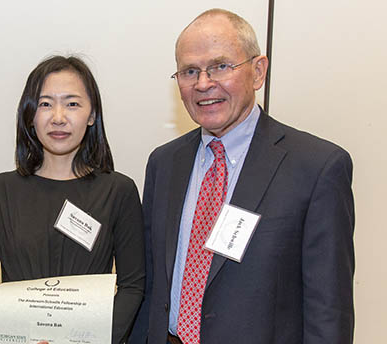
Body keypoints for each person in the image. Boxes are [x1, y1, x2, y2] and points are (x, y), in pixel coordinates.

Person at [130, 8, 355, 344]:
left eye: (220, 66)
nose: (204, 83)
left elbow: (329, 310)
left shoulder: (317, 168)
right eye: (190, 71)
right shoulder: (164, 163)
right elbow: (151, 287)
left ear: (258, 71)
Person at [0, 55, 145, 344]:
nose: (58, 117)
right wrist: (9, 339)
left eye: (72, 103)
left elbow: (133, 286)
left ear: (91, 115)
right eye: (45, 104)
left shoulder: (119, 191)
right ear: (30, 115)